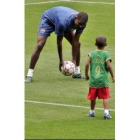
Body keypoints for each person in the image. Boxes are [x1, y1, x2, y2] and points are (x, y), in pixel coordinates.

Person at [25, 6, 88, 83]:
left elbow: (76, 40)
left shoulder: (82, 24)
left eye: (82, 25)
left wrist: (74, 59)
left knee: (78, 44)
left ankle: (77, 72)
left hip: (65, 24)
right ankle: (29, 75)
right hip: (48, 21)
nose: (80, 26)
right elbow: (59, 42)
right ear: (75, 18)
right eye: (79, 23)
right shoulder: (63, 22)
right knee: (40, 44)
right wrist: (61, 60)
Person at [85, 35, 115, 119]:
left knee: (93, 97)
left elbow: (87, 64)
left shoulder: (91, 54)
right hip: (103, 80)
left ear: (95, 44)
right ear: (106, 44)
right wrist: (113, 76)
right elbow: (109, 66)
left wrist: (87, 75)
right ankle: (106, 113)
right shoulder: (106, 55)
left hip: (93, 80)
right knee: (105, 97)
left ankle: (91, 112)